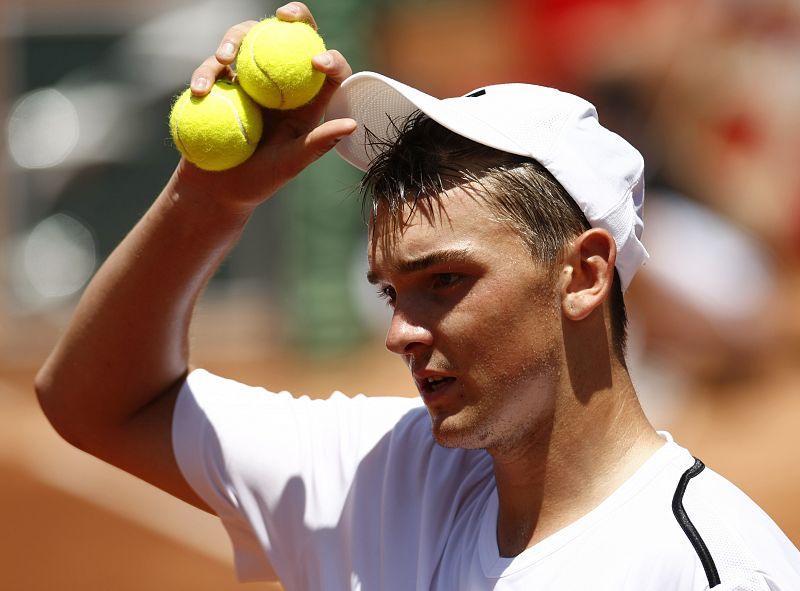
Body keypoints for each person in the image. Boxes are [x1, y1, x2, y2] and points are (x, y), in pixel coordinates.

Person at [35, 3, 800, 590]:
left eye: (445, 282)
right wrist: (205, 201)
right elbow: (98, 400)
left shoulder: (713, 568)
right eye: (391, 290)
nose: (400, 330)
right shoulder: (388, 475)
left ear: (585, 274)